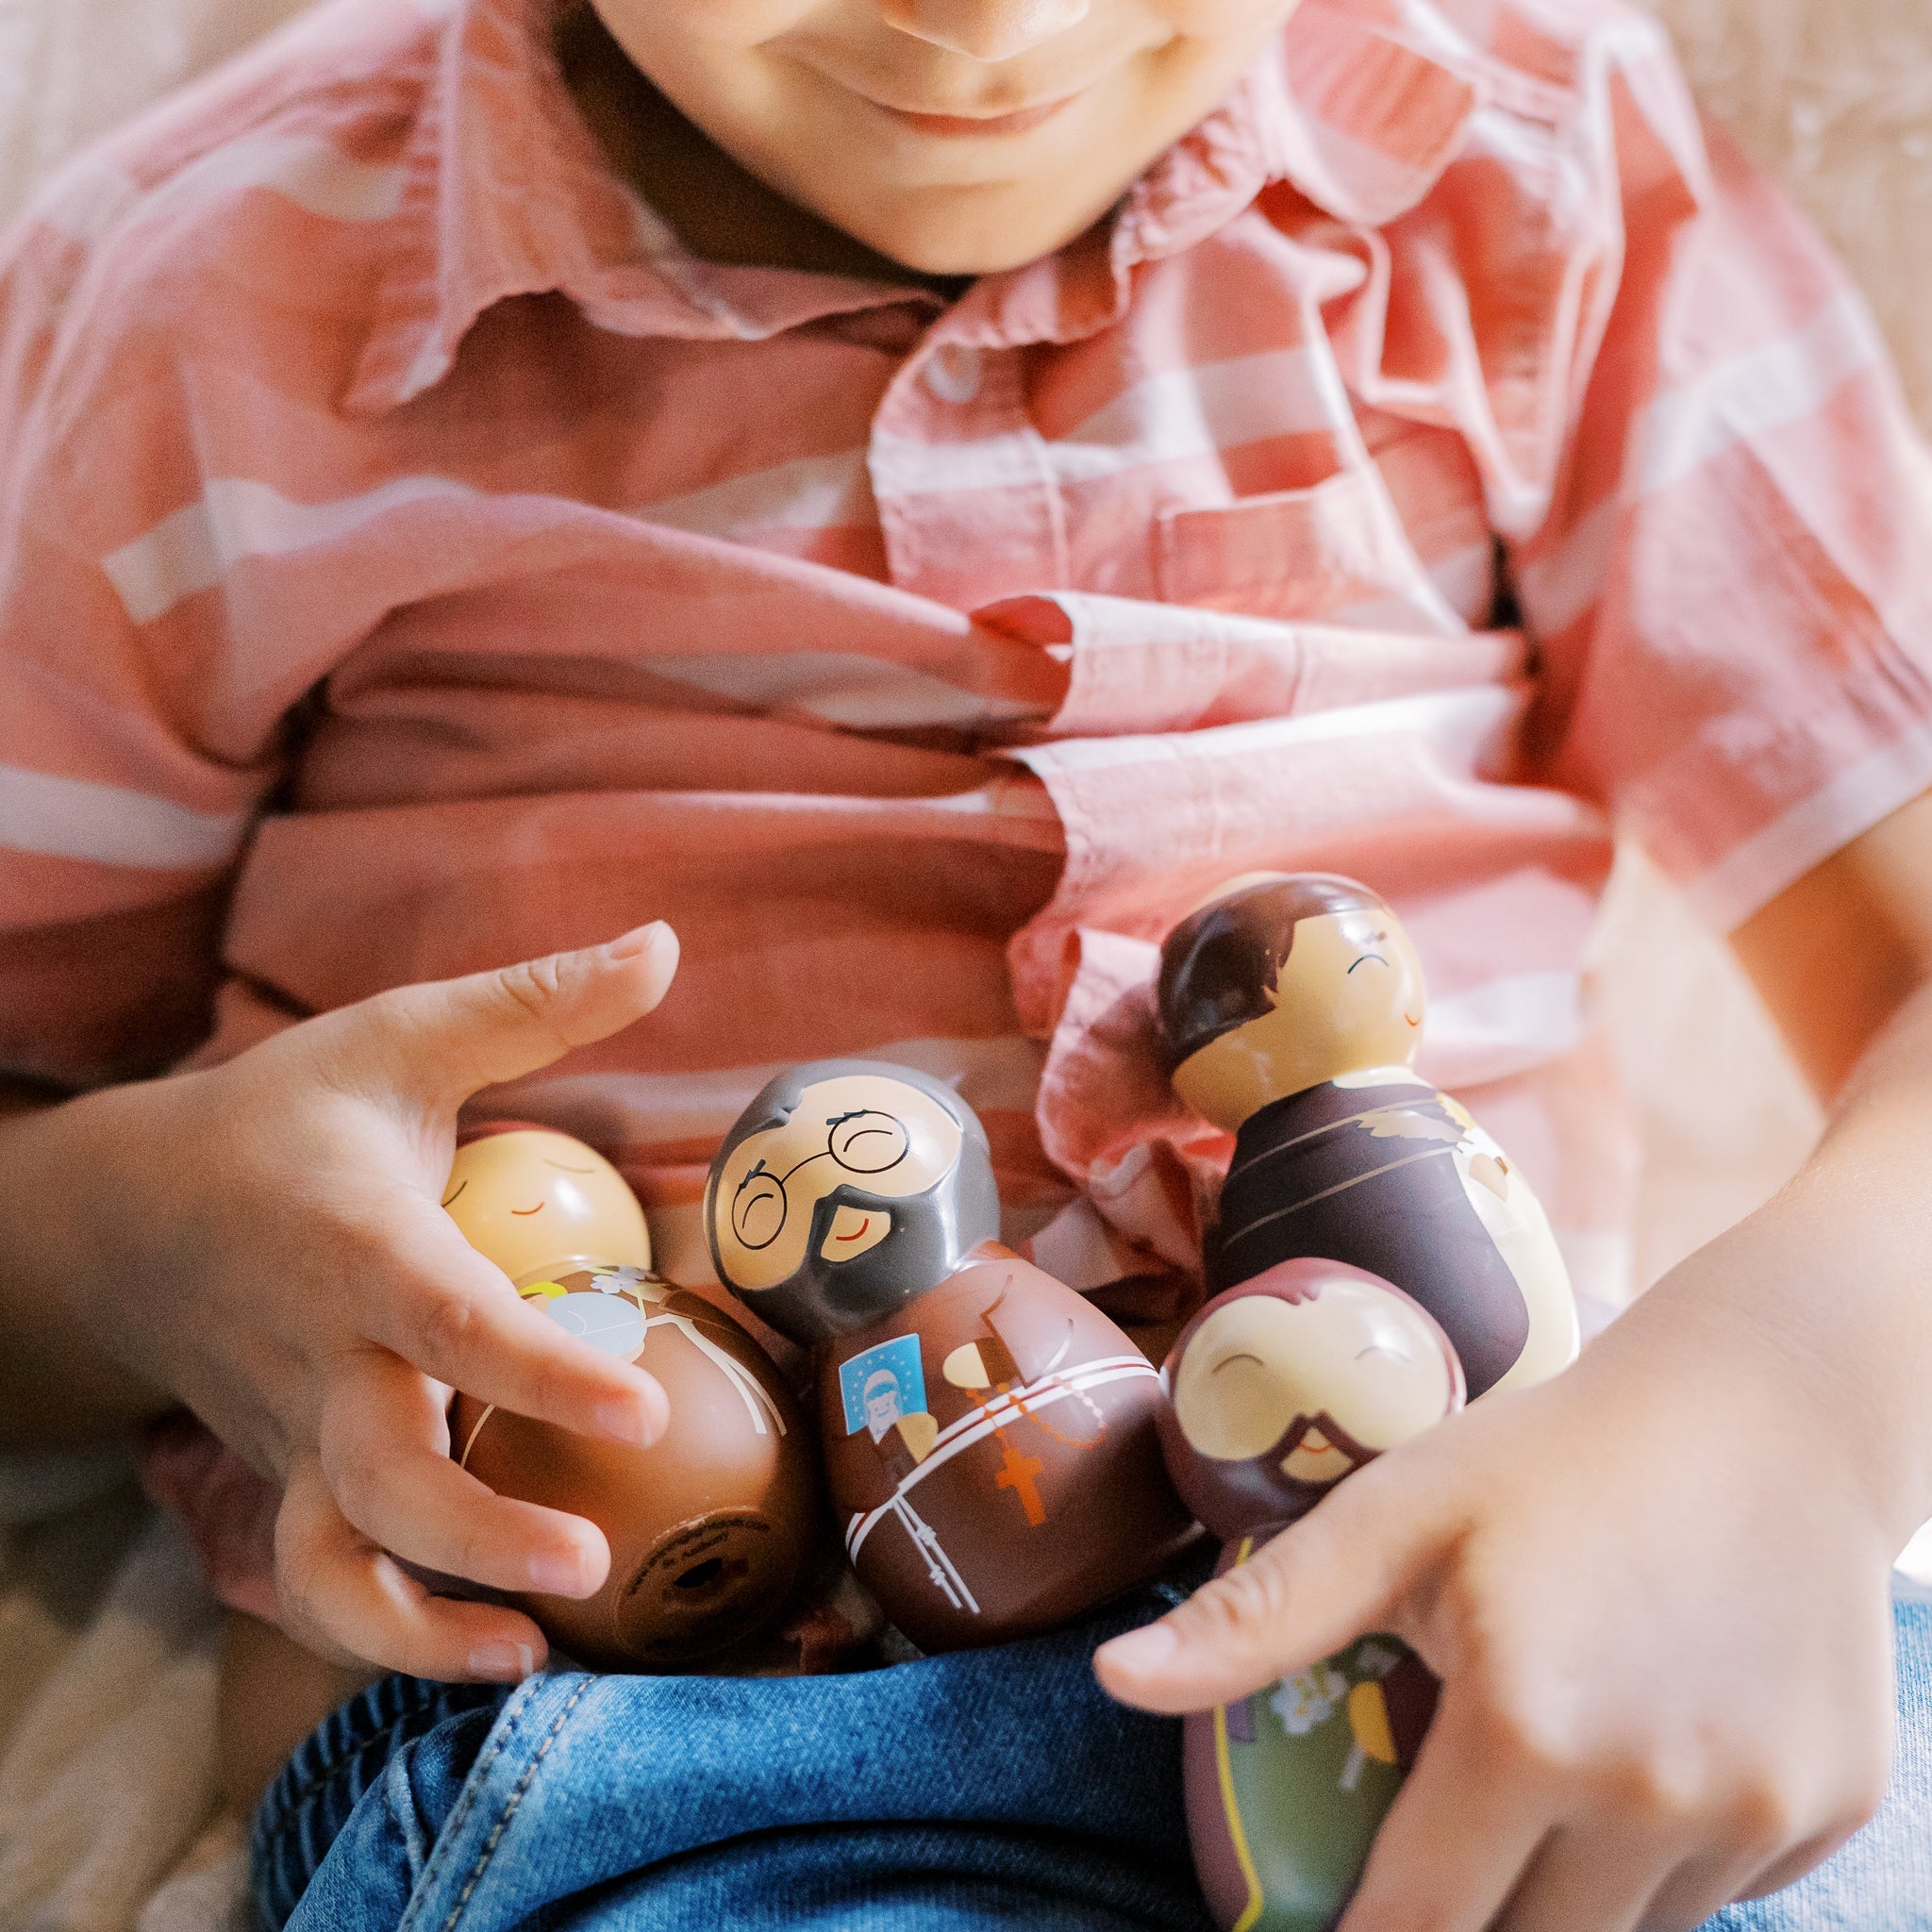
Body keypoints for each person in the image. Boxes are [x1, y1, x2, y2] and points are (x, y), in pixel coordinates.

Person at [1, 0, 1930, 1925]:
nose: (993, 20)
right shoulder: (209, 291)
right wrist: (149, 1250)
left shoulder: (1519, 160)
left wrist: (1785, 1403)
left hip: (1522, 1629)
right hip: (686, 1747)